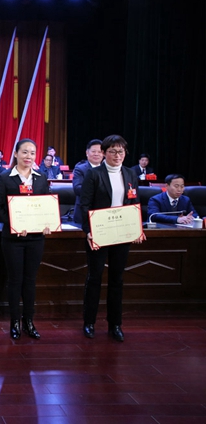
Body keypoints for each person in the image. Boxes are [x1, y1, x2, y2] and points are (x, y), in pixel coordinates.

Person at [80, 135, 146, 342]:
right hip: (99, 232)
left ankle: (115, 324)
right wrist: (89, 231)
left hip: (122, 232)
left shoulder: (130, 173)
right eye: (113, 151)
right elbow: (84, 204)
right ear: (104, 153)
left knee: (117, 279)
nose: (118, 156)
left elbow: (134, 201)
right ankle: (89, 322)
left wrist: (137, 228)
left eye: (121, 152)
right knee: (95, 277)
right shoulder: (94, 174)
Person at [0, 139, 51, 340]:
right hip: (13, 239)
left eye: (33, 153)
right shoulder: (6, 178)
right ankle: (14, 322)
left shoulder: (41, 178)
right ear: (16, 153)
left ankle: (29, 321)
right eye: (25, 152)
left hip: (36, 238)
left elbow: (46, 205)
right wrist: (14, 224)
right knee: (15, 280)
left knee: (30, 280)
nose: (29, 156)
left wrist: (48, 223)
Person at [72, 139, 103, 224]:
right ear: (87, 153)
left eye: (99, 152)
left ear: (103, 154)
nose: (96, 154)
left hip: (102, 212)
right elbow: (77, 188)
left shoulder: (107, 169)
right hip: (84, 213)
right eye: (93, 151)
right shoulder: (80, 168)